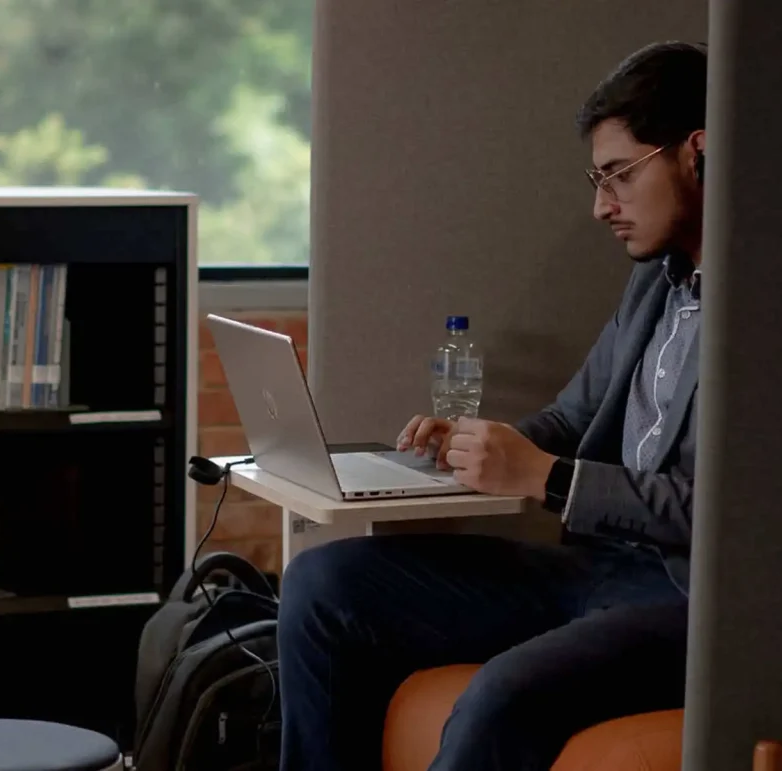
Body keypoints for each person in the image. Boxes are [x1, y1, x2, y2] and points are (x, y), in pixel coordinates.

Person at [277, 40, 708, 771]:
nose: (601, 206)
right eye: (596, 179)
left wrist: (549, 477)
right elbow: (571, 419)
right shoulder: (657, 282)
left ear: (697, 154)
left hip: (684, 598)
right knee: (324, 586)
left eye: (619, 176)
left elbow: (727, 518)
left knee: (500, 694)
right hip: (595, 566)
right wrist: (481, 444)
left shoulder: (777, 321)